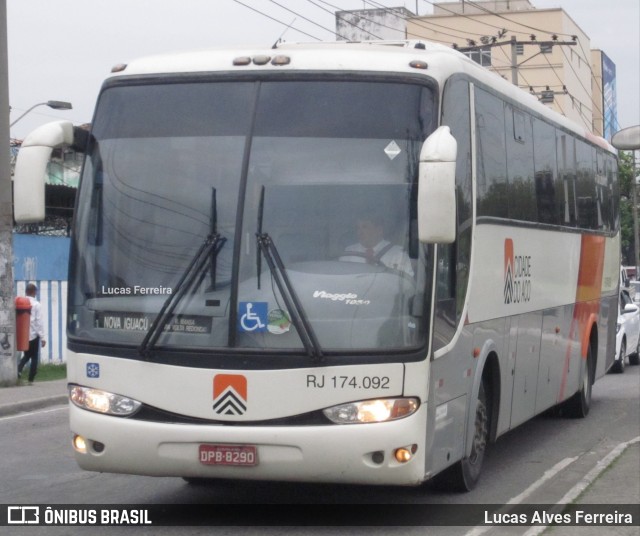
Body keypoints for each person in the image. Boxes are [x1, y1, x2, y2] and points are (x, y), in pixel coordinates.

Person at [340, 215, 414, 276]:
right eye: (358, 228)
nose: (360, 232)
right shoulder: (349, 252)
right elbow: (342, 279)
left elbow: (407, 283)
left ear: (379, 230)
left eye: (365, 227)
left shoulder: (398, 254)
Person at [17, 283, 46, 385]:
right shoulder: (37, 305)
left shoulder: (20, 302)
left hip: (22, 334)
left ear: (26, 291)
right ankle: (30, 379)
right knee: (33, 357)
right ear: (34, 292)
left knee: (26, 355)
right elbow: (39, 322)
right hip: (33, 335)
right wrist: (42, 337)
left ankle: (19, 370)